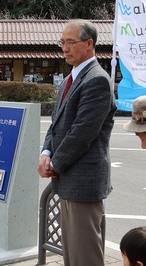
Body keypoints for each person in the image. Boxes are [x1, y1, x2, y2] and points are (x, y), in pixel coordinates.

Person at [37, 20, 117, 266]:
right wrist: (46, 153)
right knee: (71, 253)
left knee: (85, 255)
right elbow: (55, 123)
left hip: (84, 180)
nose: (65, 48)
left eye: (71, 42)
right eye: (63, 42)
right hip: (67, 178)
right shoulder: (69, 79)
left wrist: (55, 164)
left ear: (89, 44)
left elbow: (82, 133)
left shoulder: (97, 80)